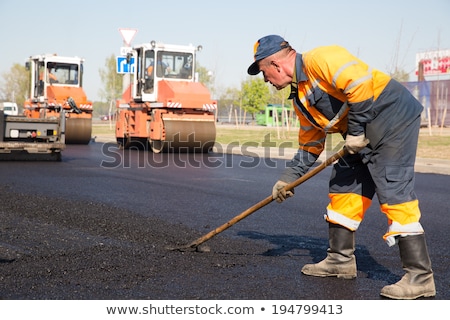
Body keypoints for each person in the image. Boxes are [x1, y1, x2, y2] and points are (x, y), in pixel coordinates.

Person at [247, 34, 435, 300]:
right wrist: (287, 179)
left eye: (263, 72)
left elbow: (359, 85)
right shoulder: (300, 97)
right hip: (358, 134)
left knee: (393, 189)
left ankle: (420, 277)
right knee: (344, 186)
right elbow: (310, 145)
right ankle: (339, 260)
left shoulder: (320, 58)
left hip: (392, 117)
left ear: (276, 64)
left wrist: (356, 132)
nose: (265, 79)